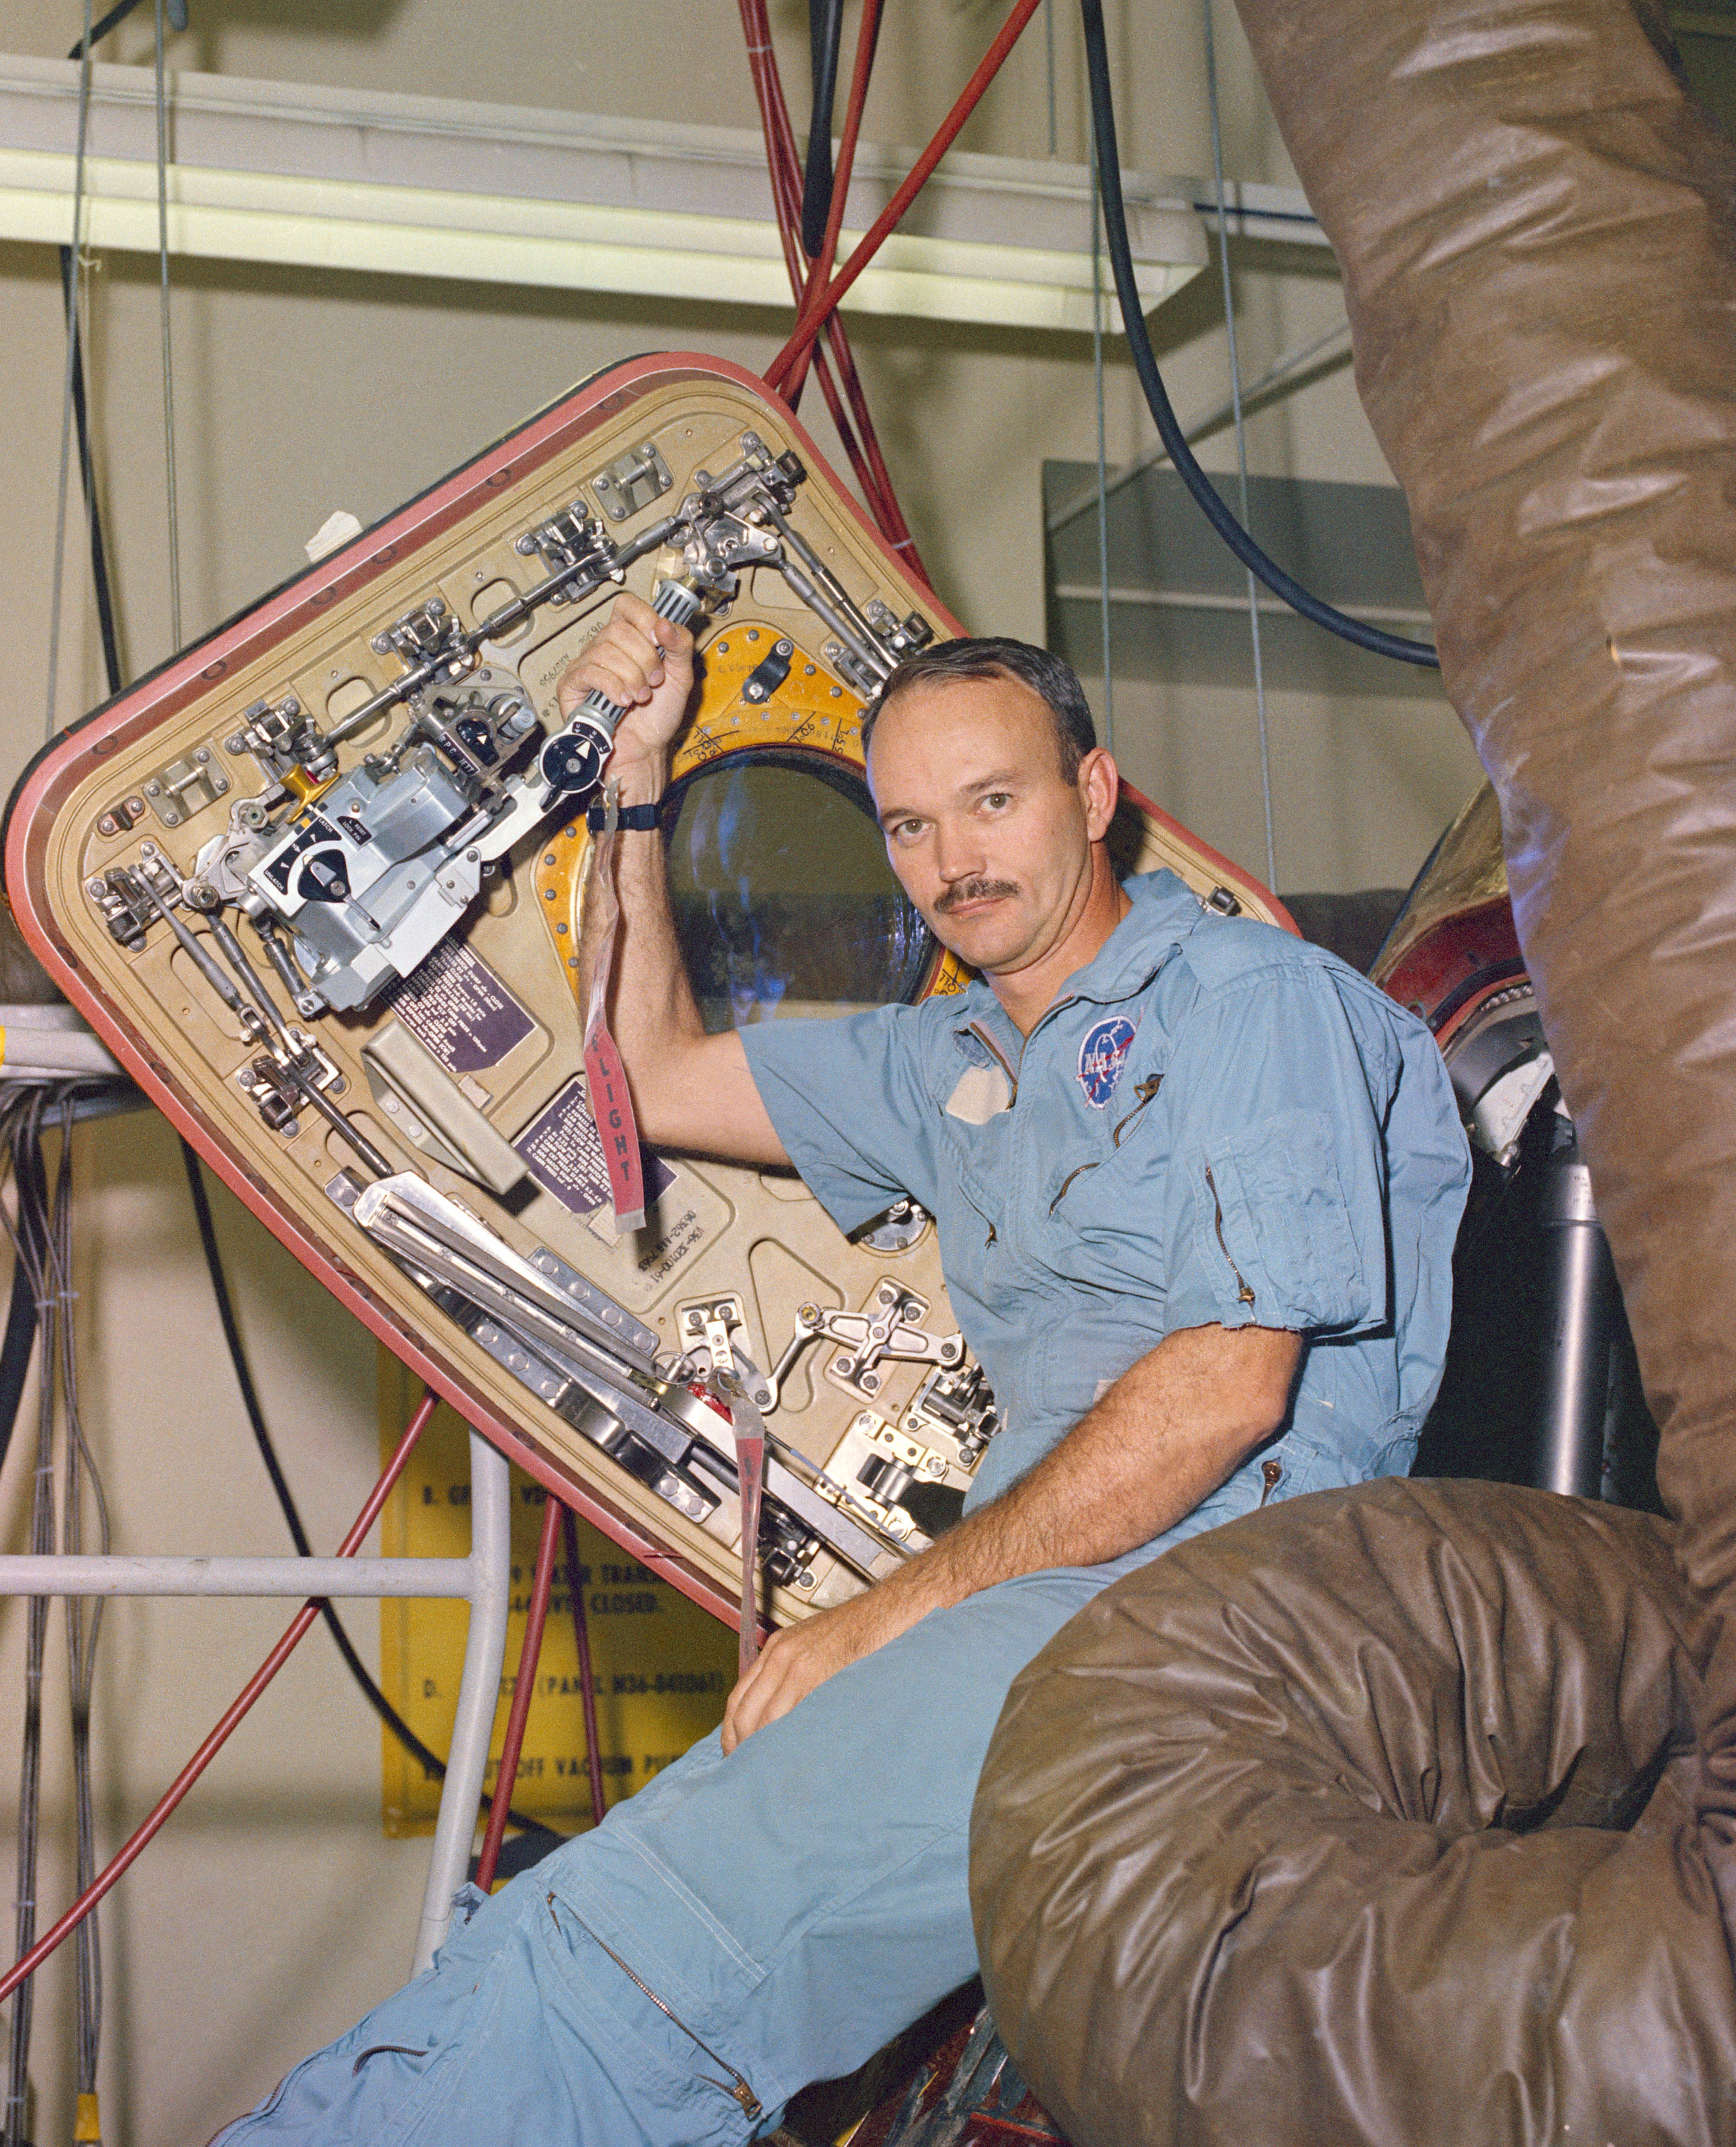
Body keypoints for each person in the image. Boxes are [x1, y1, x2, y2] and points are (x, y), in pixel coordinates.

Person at [216, 605, 1470, 2147]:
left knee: (655, 1944)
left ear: (1093, 794)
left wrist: (893, 1607)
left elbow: (1225, 1387)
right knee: (610, 1883)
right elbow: (658, 1071)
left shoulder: (1250, 1005)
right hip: (1054, 1595)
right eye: (908, 824)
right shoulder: (950, 1066)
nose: (953, 858)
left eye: (992, 801)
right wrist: (632, 787)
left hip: (1227, 1589)